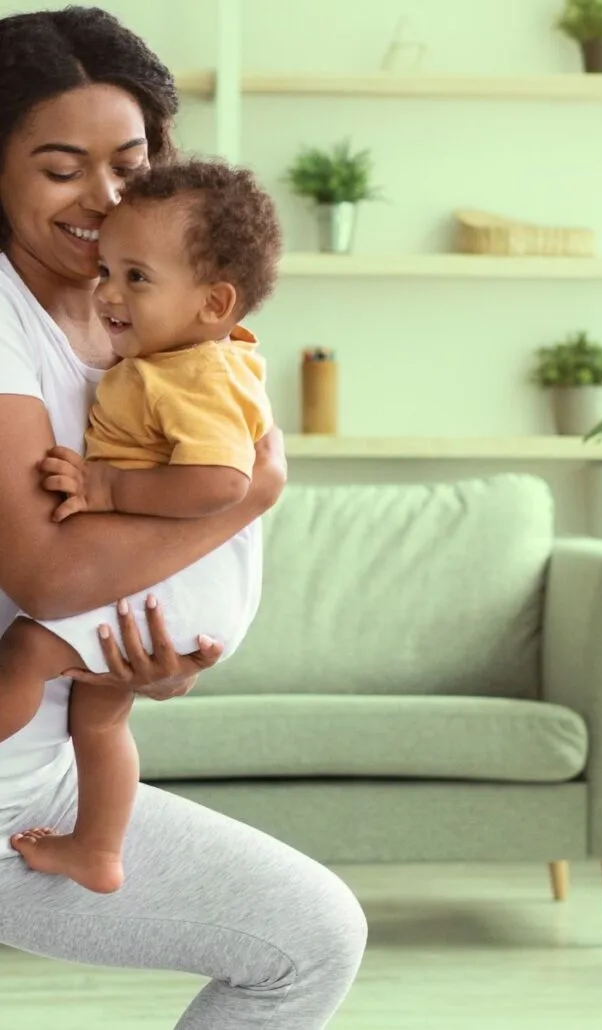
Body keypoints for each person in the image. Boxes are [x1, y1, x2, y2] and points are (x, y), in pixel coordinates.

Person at [0, 8, 367, 1030]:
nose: (105, 197)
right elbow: (48, 576)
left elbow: (130, 554)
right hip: (12, 786)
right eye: (61, 166)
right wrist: (250, 493)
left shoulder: (138, 325)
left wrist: (159, 655)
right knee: (305, 940)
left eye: (131, 160)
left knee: (313, 938)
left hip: (43, 775)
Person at [1, 157, 280, 896]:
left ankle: (97, 843)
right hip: (181, 578)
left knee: (29, 647)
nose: (109, 294)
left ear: (215, 303)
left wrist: (105, 484)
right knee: (99, 717)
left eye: (136, 278)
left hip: (183, 578)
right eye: (108, 272)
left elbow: (225, 483)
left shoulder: (195, 375)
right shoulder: (172, 359)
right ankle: (98, 847)